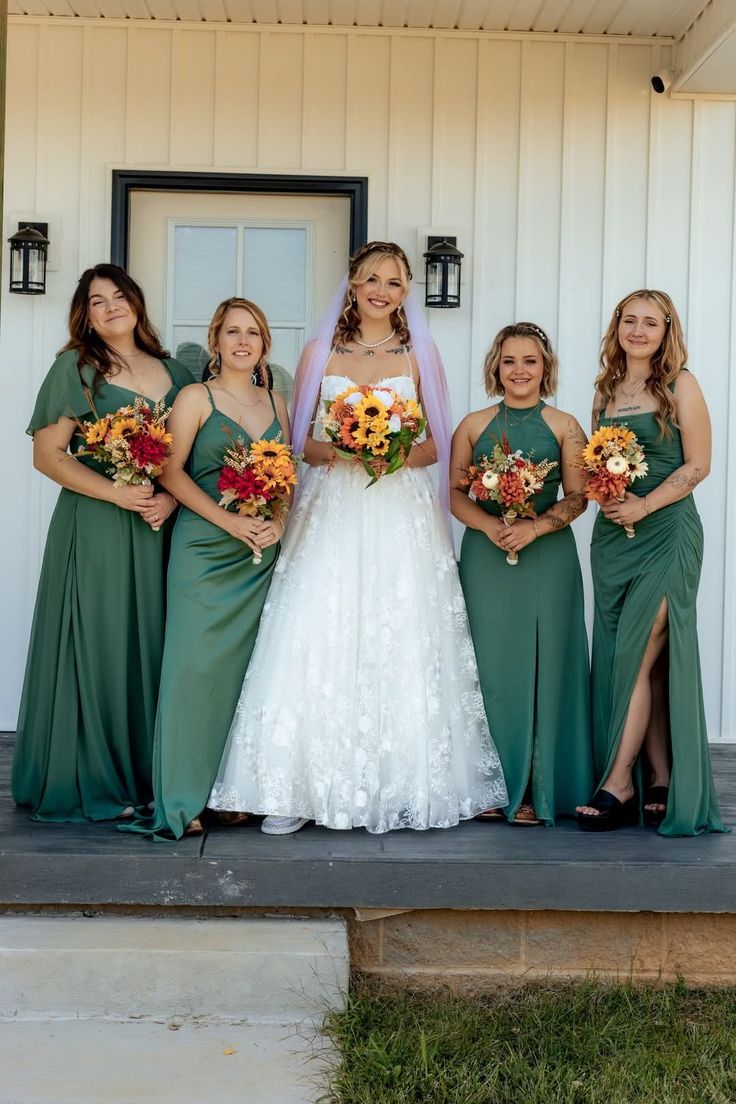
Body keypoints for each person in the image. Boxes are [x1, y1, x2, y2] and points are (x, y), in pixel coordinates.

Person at [208, 241, 507, 834]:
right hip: (333, 506)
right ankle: (294, 788)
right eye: (372, 279)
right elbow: (300, 444)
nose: (381, 291)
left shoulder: (421, 354)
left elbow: (434, 446)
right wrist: (347, 449)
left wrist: (390, 453)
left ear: (405, 294)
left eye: (394, 283)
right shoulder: (322, 350)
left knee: (400, 632)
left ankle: (405, 782)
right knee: (317, 626)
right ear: (352, 284)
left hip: (399, 510)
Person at [12, 264, 191, 822]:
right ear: (85, 315)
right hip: (96, 525)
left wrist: (171, 500)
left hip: (162, 527)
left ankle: (151, 774)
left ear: (136, 302)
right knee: (102, 641)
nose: (111, 306)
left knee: (158, 644)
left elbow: (190, 460)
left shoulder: (177, 372)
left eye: (119, 295)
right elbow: (48, 455)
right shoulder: (76, 367)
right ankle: (92, 773)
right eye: (97, 301)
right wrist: (117, 494)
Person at [121, 298, 290, 839]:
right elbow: (170, 473)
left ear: (265, 344)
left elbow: (288, 482)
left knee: (250, 678)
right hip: (204, 548)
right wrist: (227, 521)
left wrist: (279, 522)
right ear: (216, 341)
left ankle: (232, 795)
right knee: (192, 673)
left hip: (259, 555)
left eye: (254, 333)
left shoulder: (279, 404)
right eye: (233, 332)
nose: (243, 341)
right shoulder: (196, 397)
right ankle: (180, 797)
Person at [577, 290, 725, 834]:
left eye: (651, 323)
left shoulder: (679, 385)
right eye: (629, 321)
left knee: (641, 651)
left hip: (667, 532)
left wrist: (643, 503)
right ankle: (661, 776)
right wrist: (603, 491)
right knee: (645, 663)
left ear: (667, 331)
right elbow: (598, 465)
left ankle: (619, 781)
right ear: (617, 326)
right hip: (614, 541)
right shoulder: (604, 393)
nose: (639, 331)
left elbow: (698, 465)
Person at [451, 323, 593, 825]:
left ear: (545, 367)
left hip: (546, 555)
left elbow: (578, 497)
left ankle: (536, 786)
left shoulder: (565, 425)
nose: (519, 370)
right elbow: (454, 496)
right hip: (487, 555)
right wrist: (491, 525)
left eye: (529, 361)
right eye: (509, 361)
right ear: (496, 367)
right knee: (490, 666)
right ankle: (489, 784)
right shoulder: (472, 425)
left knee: (543, 663)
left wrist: (536, 528)